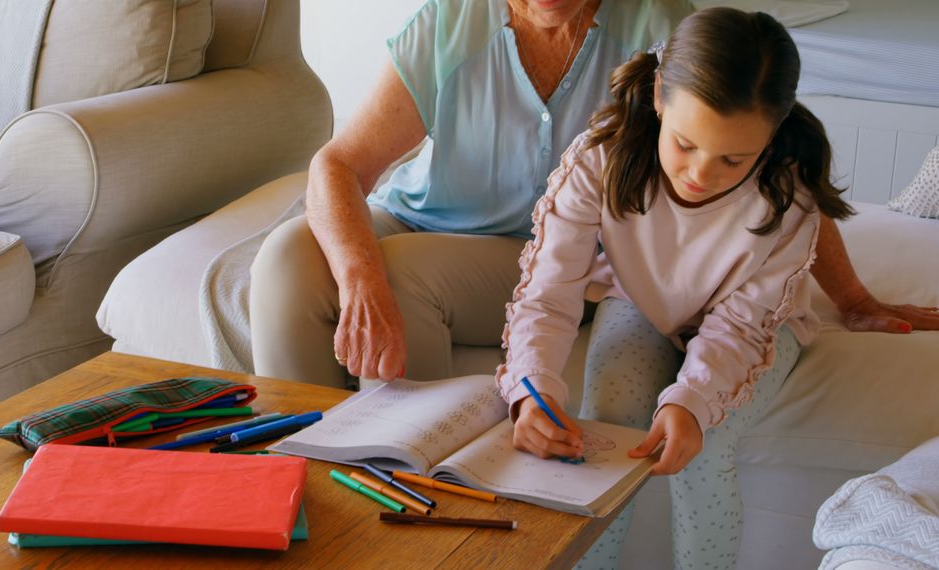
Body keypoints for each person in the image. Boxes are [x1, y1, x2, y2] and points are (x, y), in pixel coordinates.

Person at [246, 0, 939, 391]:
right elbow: (339, 165)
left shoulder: (661, 28)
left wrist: (853, 299)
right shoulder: (451, 22)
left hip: (551, 255)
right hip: (422, 218)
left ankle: (416, 471)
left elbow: (770, 168)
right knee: (284, 262)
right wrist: (358, 280)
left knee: (404, 276)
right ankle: (321, 473)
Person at [494, 7, 855, 568]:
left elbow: (740, 326)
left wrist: (691, 402)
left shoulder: (788, 198)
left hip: (751, 325)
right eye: (685, 144)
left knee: (705, 451)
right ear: (660, 94)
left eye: (734, 159)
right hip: (639, 303)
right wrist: (530, 388)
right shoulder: (600, 160)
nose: (701, 175)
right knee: (607, 428)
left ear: (772, 136)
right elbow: (549, 290)